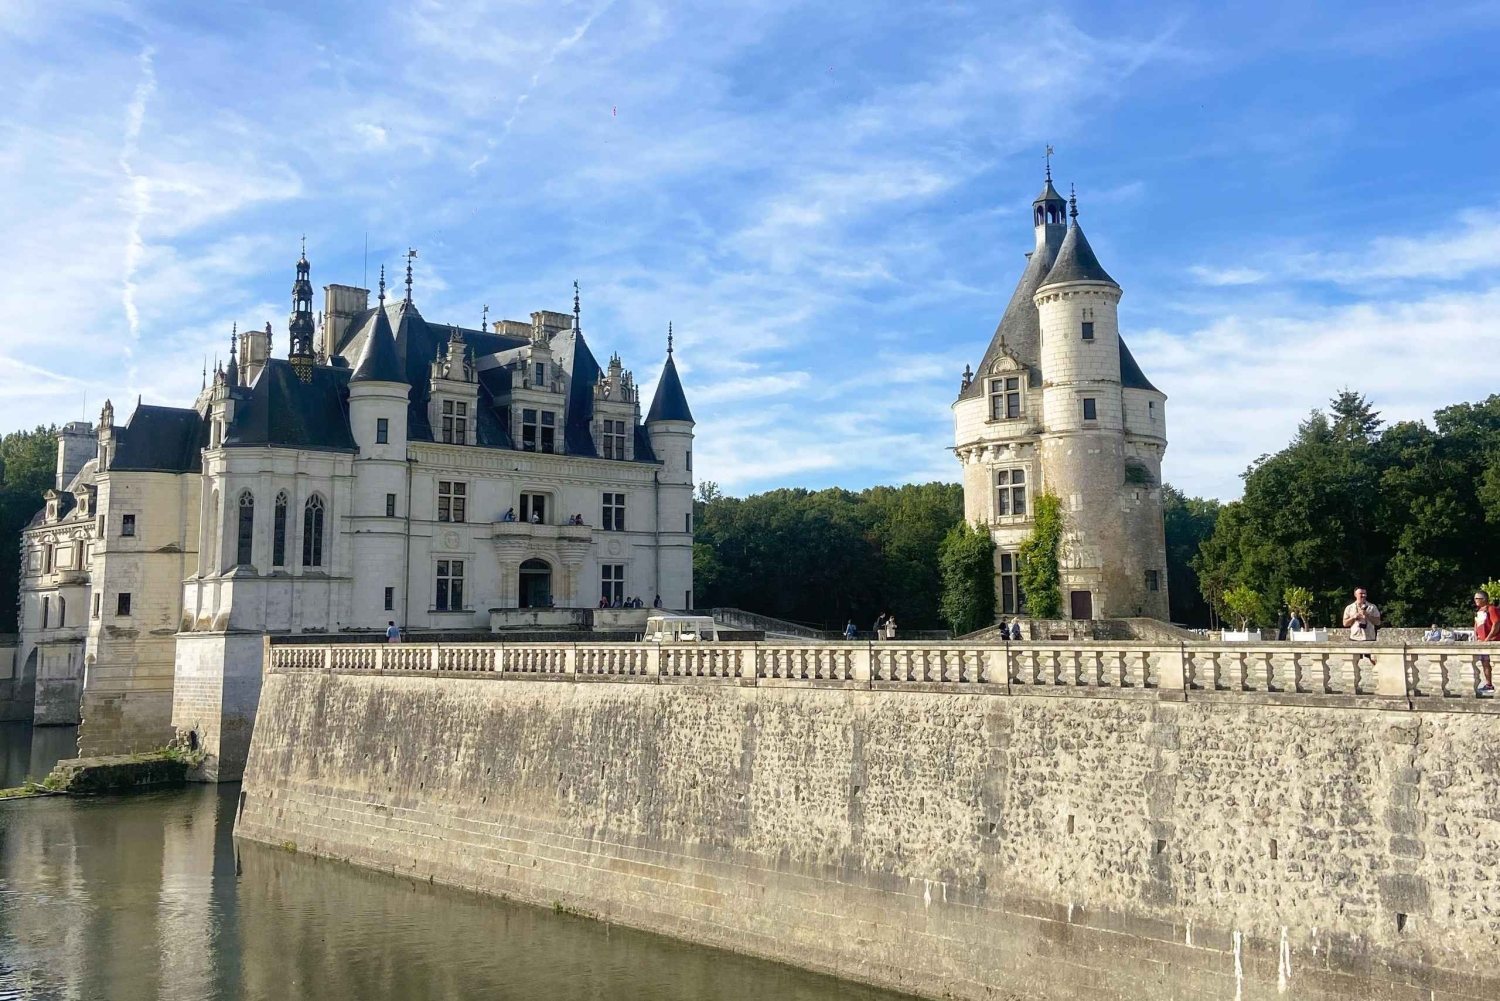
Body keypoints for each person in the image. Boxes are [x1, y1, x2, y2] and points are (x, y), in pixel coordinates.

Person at [1473, 591, 1497, 695]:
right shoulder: (1479, 610)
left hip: (1492, 641)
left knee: (1493, 663)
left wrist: (1488, 638)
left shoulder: (1491, 609)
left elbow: (1496, 624)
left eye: (1477, 598)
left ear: (1484, 599)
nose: (1475, 600)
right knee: (1485, 663)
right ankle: (1488, 684)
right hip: (1481, 641)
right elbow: (1477, 624)